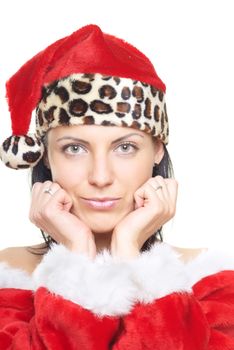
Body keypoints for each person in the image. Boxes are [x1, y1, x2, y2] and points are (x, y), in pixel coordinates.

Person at [0, 24, 233, 350]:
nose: (100, 176)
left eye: (124, 147)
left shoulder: (214, 285)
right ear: (46, 156)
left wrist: (129, 252)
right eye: (74, 148)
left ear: (157, 149)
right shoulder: (7, 283)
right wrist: (77, 256)